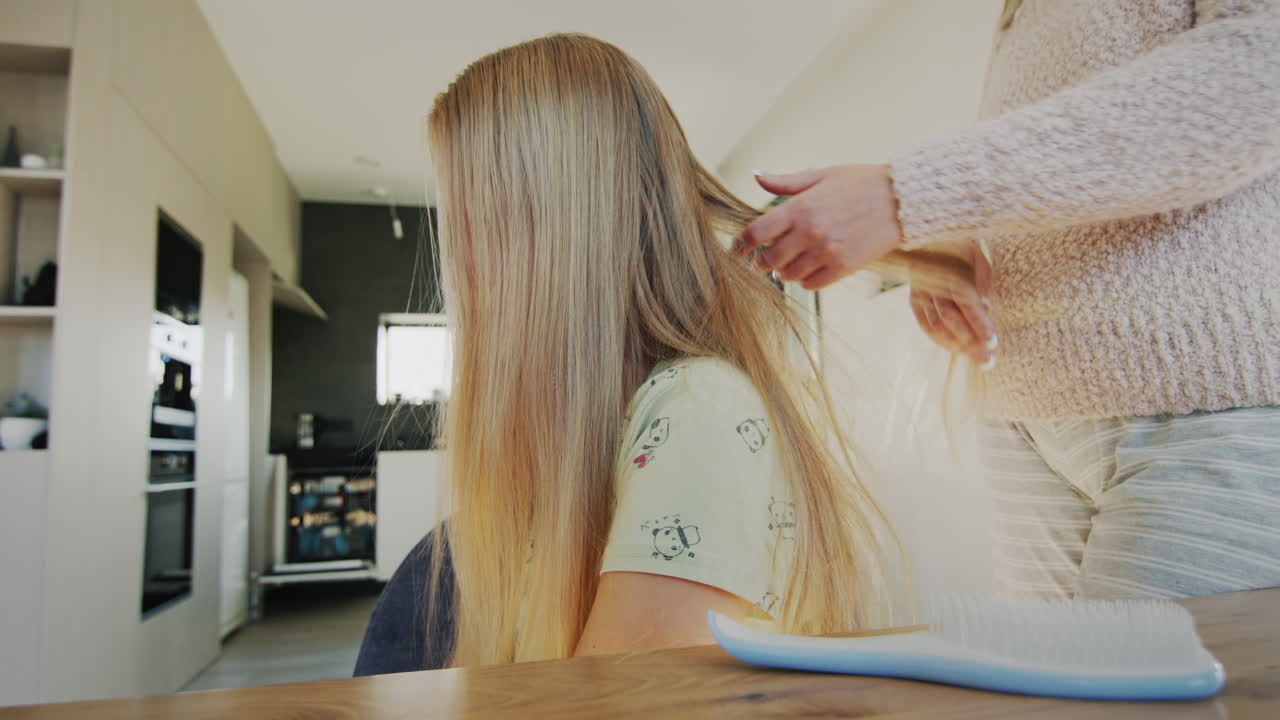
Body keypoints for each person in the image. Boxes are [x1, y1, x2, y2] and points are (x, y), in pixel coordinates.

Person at [356, 33, 965, 674]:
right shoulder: (578, 449)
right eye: (458, 226)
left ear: (582, 222)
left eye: (484, 220)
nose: (464, 266)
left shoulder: (700, 409)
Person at [736, 0, 1280, 600]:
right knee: (1049, 694)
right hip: (1028, 421)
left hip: (1206, 407)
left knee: (1136, 695)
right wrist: (955, 232)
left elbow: (1257, 73)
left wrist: (911, 194)